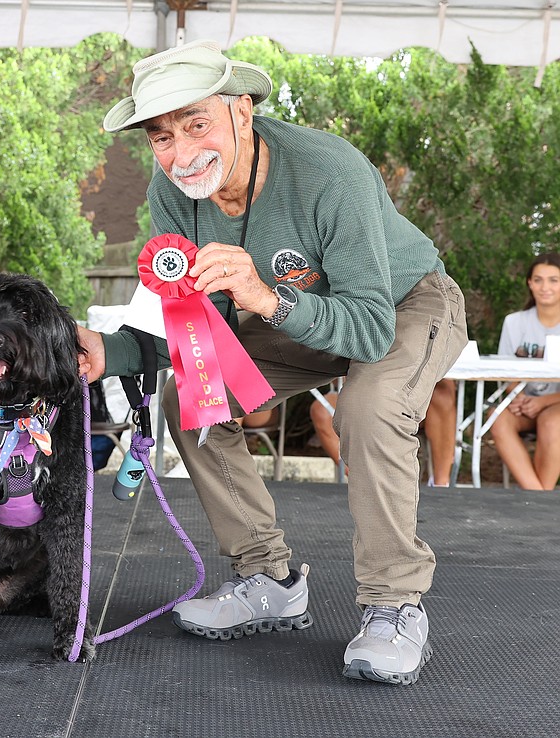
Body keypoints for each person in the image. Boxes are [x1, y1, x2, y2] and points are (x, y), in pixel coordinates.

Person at [77, 41, 467, 685]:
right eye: (160, 136)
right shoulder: (174, 193)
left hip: (404, 304)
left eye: (196, 124)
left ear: (243, 110)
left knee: (368, 408)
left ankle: (396, 606)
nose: (179, 155)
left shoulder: (329, 172)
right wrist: (109, 354)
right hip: (294, 312)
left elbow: (369, 330)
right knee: (190, 399)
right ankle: (267, 579)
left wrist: (265, 297)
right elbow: (203, 334)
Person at [489, 253, 560, 491]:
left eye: (553, 280)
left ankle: (539, 496)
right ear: (530, 283)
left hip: (555, 404)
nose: (545, 287)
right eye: (538, 280)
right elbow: (507, 372)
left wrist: (544, 402)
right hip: (523, 403)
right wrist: (516, 396)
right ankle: (538, 496)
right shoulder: (514, 322)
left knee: (553, 422)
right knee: (496, 418)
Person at [310, 378, 458, 486]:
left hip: (412, 394)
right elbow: (337, 377)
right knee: (321, 410)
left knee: (443, 389)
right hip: (364, 391)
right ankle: (364, 483)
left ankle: (440, 485)